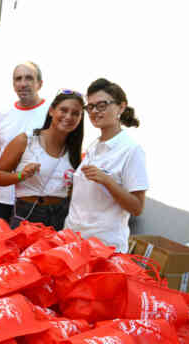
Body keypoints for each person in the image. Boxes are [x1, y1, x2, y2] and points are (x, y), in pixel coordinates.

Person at [65, 79, 148, 252]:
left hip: (104, 247)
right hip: (73, 238)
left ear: (121, 107)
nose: (95, 111)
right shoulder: (94, 145)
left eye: (102, 105)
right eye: (90, 107)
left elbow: (137, 207)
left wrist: (107, 181)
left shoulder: (131, 150)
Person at [0, 90, 85, 230]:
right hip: (27, 215)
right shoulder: (26, 140)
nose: (68, 116)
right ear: (52, 111)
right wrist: (20, 175)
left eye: (75, 113)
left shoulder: (74, 151)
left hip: (61, 217)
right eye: (63, 110)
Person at [0, 62, 50, 223]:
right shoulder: (3, 114)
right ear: (13, 84)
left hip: (32, 200)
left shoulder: (51, 113)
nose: (23, 84)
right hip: (0, 198)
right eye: (18, 79)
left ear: (40, 83)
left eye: (29, 78)